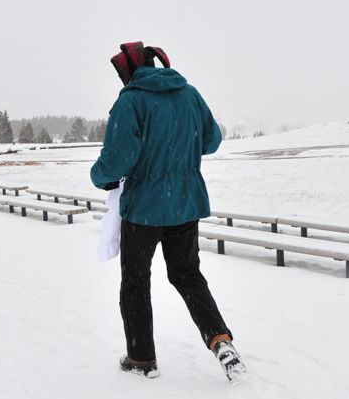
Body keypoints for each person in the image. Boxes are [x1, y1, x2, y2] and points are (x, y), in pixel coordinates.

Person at [90, 41, 246, 382]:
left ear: (129, 71)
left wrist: (99, 177)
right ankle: (220, 339)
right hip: (185, 204)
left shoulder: (131, 100)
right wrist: (179, 152)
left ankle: (141, 357)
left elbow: (117, 158)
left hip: (143, 210)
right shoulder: (189, 93)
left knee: (135, 281)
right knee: (188, 275)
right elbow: (212, 140)